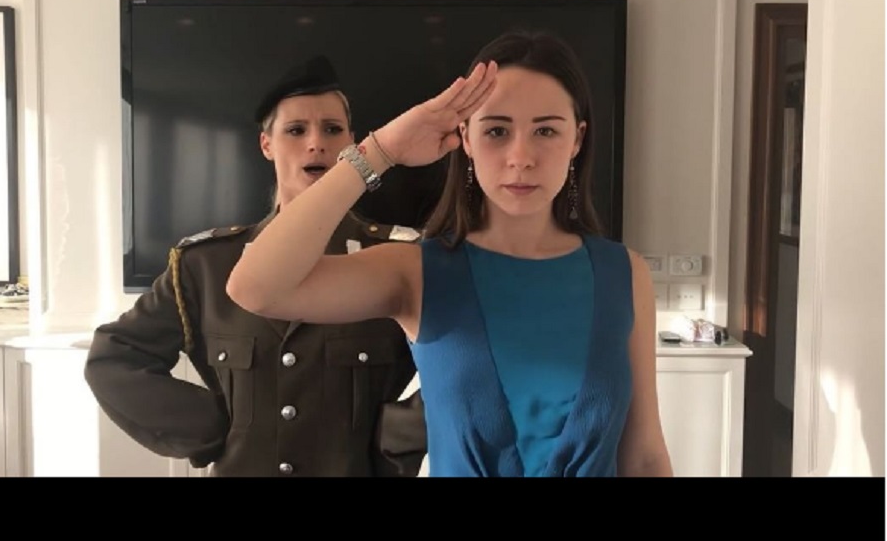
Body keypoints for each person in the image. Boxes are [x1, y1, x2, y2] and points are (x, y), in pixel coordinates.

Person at [226, 30, 674, 478]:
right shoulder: (418, 272)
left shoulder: (623, 274)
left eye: (545, 130)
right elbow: (255, 288)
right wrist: (383, 150)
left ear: (577, 139)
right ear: (466, 138)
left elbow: (646, 456)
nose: (521, 157)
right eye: (497, 130)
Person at [84, 55, 427, 477]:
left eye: (332, 129)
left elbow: (468, 366)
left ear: (353, 144)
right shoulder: (206, 266)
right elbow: (114, 358)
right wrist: (214, 430)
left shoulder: (397, 261)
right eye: (296, 130)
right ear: (266, 144)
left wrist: (394, 439)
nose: (316, 143)